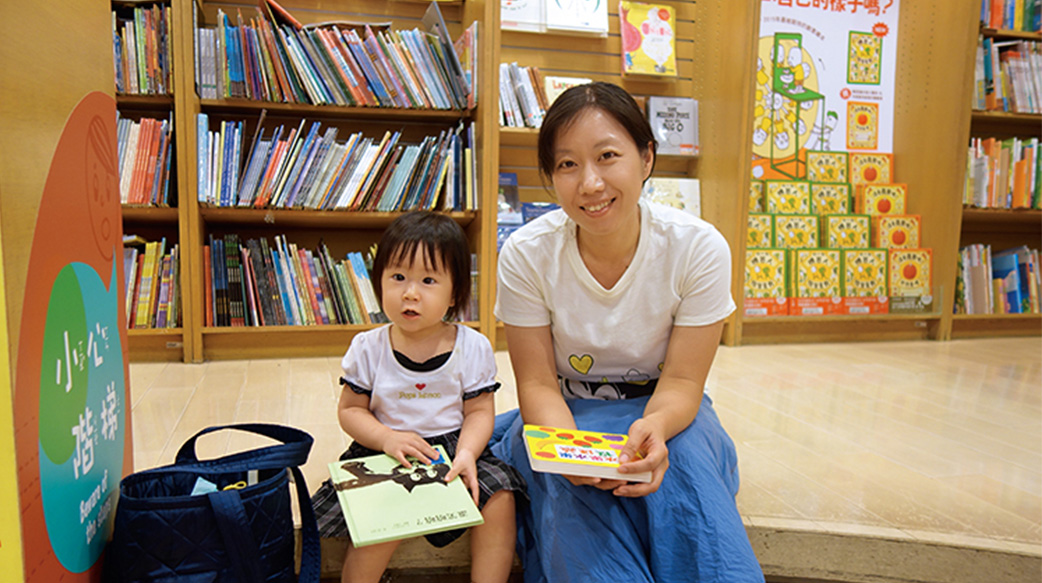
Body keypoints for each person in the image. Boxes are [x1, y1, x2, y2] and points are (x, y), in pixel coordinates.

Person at [490, 82, 764, 582]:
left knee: (684, 473)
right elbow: (537, 384)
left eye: (608, 156)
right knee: (569, 496)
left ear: (646, 158)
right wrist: (566, 449)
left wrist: (656, 427)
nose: (590, 183)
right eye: (567, 164)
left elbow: (682, 382)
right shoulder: (526, 255)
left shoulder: (697, 248)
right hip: (566, 411)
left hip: (665, 410)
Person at [311, 211, 526, 583]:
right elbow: (350, 410)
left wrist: (467, 453)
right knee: (378, 523)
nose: (410, 293)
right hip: (384, 451)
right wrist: (386, 438)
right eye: (398, 277)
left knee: (500, 499)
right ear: (378, 282)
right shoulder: (368, 347)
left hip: (455, 449)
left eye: (428, 280)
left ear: (455, 293)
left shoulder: (472, 346)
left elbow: (478, 413)